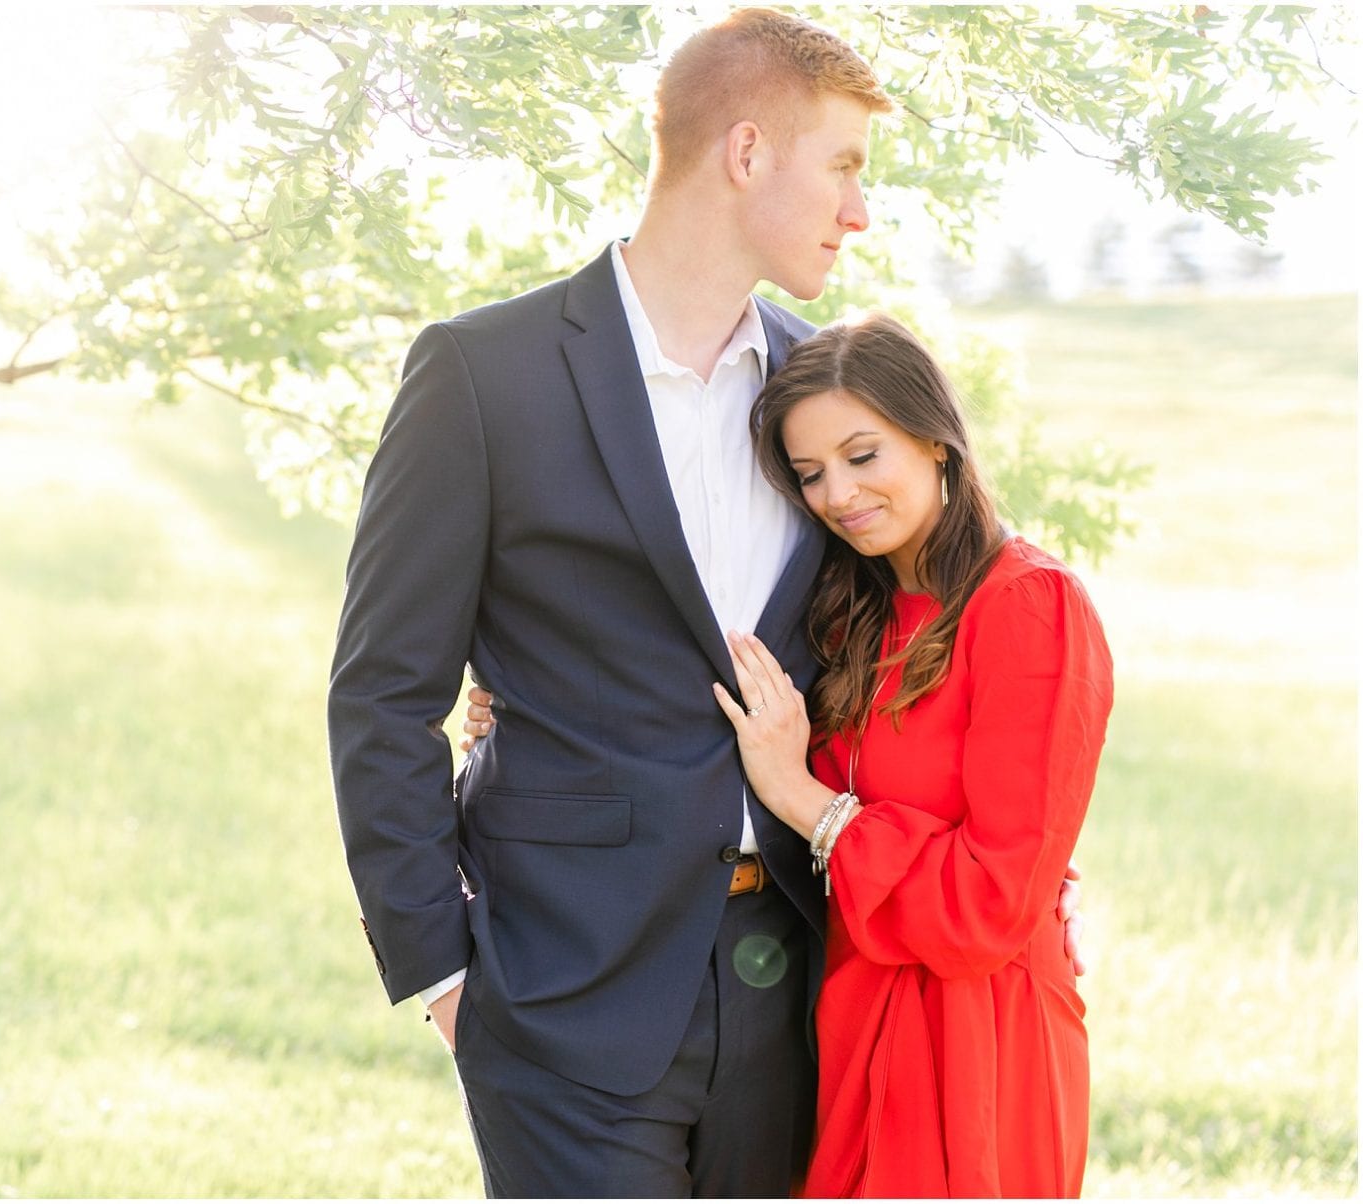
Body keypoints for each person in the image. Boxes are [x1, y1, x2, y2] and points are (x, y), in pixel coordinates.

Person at [329, 9, 1079, 1197]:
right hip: (561, 990)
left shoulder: (815, 393)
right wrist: (443, 972)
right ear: (745, 155)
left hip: (798, 986)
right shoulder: (483, 374)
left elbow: (898, 637)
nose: (859, 209)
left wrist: (997, 860)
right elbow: (381, 695)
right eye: (841, 166)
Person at [467, 314, 1112, 1196]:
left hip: (973, 1036)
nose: (838, 495)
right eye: (809, 475)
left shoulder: (1029, 607)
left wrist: (803, 798)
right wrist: (530, 703)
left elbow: (988, 905)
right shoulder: (856, 609)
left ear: (936, 441)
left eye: (863, 455)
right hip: (847, 1012)